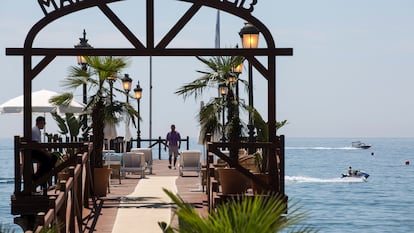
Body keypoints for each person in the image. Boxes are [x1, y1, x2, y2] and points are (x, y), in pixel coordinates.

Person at [31, 116, 57, 183]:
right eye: (43, 123)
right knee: (49, 160)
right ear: (39, 122)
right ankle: (38, 177)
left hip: (37, 150)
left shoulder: (37, 131)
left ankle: (40, 176)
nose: (44, 124)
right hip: (34, 152)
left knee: (53, 157)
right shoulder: (34, 130)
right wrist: (44, 151)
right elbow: (35, 143)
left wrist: (45, 151)